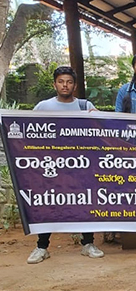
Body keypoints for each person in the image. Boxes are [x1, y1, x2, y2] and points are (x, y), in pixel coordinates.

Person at [27, 66, 103, 264]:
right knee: (48, 203)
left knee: (85, 202)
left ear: (74, 85)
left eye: (69, 82)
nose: (65, 85)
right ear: (54, 84)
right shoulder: (43, 107)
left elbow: (101, 130)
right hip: (52, 166)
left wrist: (98, 116)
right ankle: (42, 246)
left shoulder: (85, 106)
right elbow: (29, 131)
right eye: (61, 82)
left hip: (81, 165)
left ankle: (88, 243)